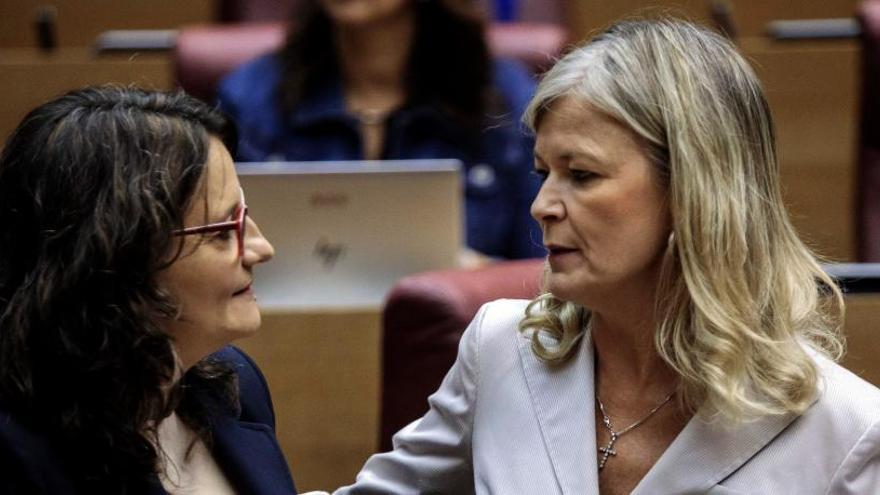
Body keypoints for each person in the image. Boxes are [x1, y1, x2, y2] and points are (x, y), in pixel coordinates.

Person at [334, 18, 880, 494]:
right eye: (542, 173)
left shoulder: (847, 430)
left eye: (582, 175)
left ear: (693, 191)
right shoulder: (501, 351)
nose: (541, 206)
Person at [0, 86, 297, 494]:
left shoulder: (234, 386)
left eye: (244, 216)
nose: (262, 249)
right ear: (117, 256)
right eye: (222, 232)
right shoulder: (18, 454)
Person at [217, 0, 543, 261]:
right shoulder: (249, 98)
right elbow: (214, 254)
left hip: (457, 334)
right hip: (286, 334)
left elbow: (541, 274)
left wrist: (477, 278)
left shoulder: (506, 100)